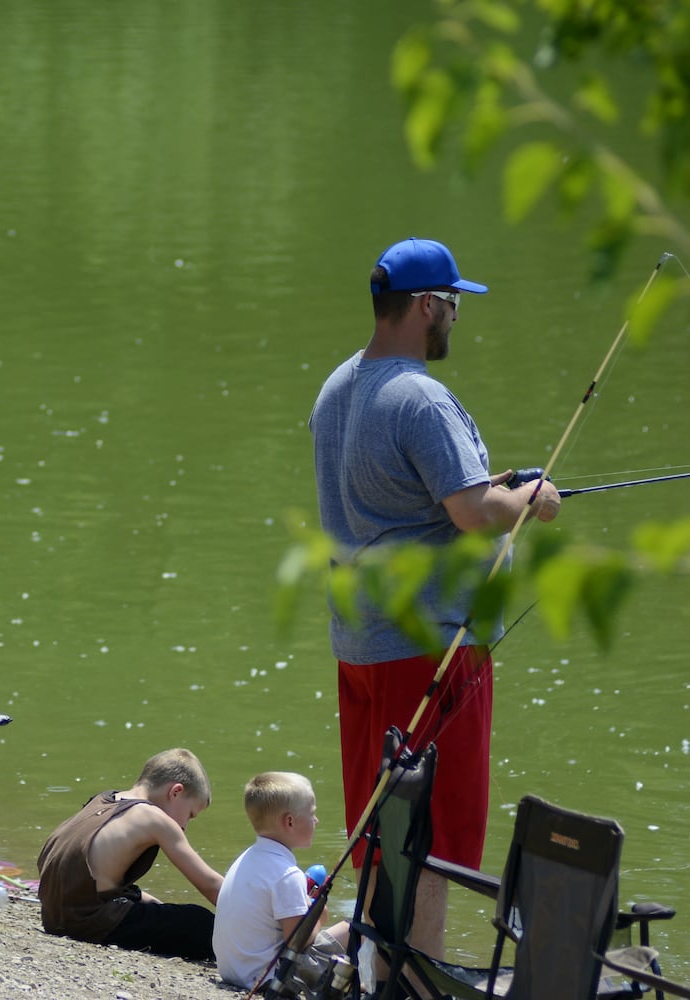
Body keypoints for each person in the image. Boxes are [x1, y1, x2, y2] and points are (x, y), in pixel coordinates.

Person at [308, 237, 562, 955]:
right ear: (425, 305)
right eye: (451, 305)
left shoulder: (337, 388)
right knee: (432, 833)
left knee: (380, 826)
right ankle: (414, 976)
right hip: (428, 649)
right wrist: (533, 497)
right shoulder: (420, 397)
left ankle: (373, 964)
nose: (454, 319)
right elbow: (472, 514)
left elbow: (400, 500)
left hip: (358, 643)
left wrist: (492, 488)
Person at [36, 748, 222, 961]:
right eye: (190, 815)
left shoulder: (102, 800)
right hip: (86, 922)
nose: (184, 826)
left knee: (153, 905)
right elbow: (211, 886)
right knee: (200, 923)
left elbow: (95, 877)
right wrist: (261, 916)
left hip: (53, 916)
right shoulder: (153, 818)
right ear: (176, 792)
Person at [213, 771, 349, 990]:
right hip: (270, 978)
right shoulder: (287, 874)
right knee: (353, 931)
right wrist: (319, 918)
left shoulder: (247, 858)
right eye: (312, 813)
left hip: (233, 970)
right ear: (290, 822)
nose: (317, 820)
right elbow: (298, 941)